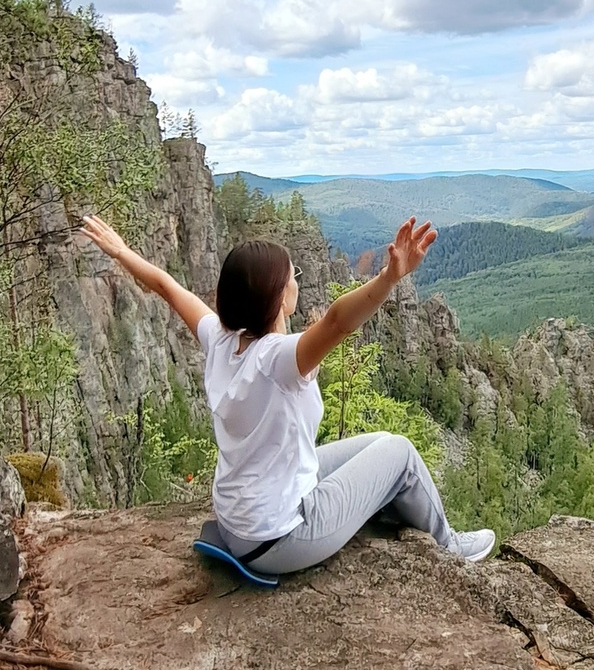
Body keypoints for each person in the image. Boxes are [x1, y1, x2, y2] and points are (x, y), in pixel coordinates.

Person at [78, 212, 495, 576]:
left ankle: (390, 508)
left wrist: (121, 252)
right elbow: (336, 322)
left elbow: (167, 287)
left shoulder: (220, 340)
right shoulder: (278, 357)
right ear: (277, 296)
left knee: (382, 444)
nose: (298, 281)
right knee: (402, 453)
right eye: (294, 276)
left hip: (237, 522)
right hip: (281, 537)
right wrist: (389, 277)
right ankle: (450, 548)